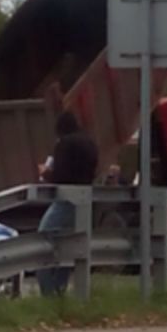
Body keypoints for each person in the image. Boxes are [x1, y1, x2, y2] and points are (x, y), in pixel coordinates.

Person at [37, 110, 98, 296]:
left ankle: (48, 293)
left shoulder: (64, 144)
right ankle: (59, 289)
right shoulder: (90, 143)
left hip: (66, 201)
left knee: (42, 242)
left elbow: (61, 176)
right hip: (85, 202)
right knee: (69, 248)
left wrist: (45, 173)